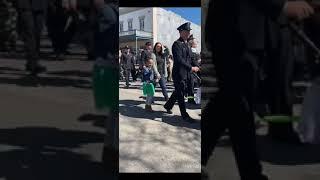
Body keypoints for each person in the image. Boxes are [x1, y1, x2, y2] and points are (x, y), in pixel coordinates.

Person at [202, 0, 315, 179]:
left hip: (251, 29)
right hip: (234, 27)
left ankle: (249, 172)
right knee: (236, 101)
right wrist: (281, 5)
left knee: (233, 102)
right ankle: (252, 174)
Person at [91, 0, 118, 175]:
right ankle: (111, 160)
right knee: (116, 112)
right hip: (110, 56)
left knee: (115, 112)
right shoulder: (109, 14)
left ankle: (110, 159)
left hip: (110, 55)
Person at [164, 22, 200, 123]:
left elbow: (191, 58)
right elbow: (179, 60)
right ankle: (184, 115)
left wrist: (197, 66)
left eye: (189, 31)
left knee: (178, 91)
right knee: (180, 94)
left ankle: (168, 105)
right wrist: (191, 68)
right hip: (179, 73)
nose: (188, 33)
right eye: (186, 31)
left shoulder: (187, 44)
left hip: (187, 73)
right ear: (181, 32)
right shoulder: (176, 44)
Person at [16, 0, 48, 75]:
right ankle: (33, 63)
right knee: (29, 33)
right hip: (25, 5)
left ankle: (32, 61)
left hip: (40, 5)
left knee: (37, 34)